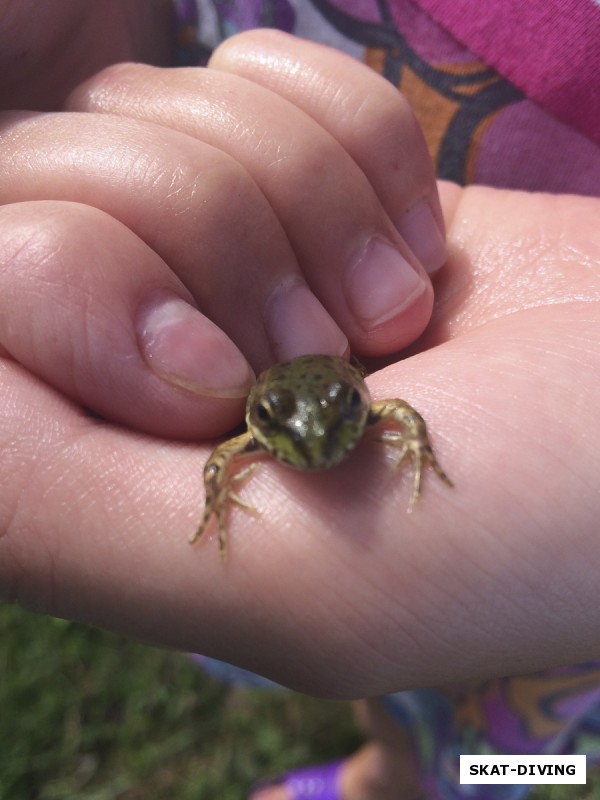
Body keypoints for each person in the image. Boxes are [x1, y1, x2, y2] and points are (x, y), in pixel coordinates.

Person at [0, 2, 599, 799]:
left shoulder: (375, 419)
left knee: (497, 747)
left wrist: (417, 452)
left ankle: (432, 783)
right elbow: (241, 455)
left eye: (349, 423)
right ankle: (405, 762)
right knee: (409, 694)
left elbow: (395, 415)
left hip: (567, 621)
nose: (323, 448)